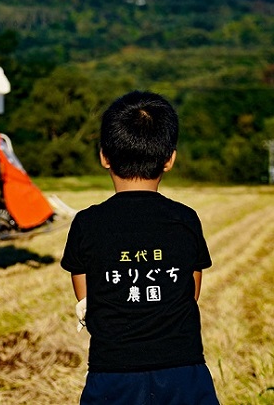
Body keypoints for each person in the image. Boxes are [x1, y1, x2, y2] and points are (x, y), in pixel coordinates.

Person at [60, 90, 219, 404]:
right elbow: (191, 292)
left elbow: (86, 300)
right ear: (170, 159)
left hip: (112, 373)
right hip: (184, 372)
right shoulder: (186, 220)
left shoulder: (86, 223)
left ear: (104, 156)